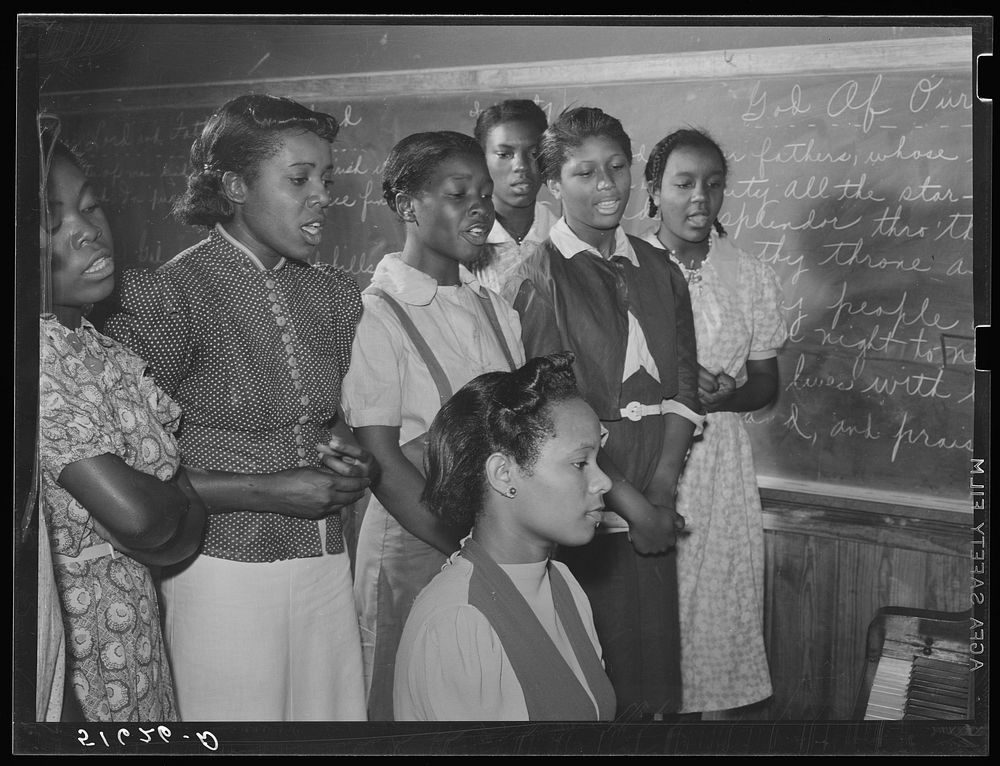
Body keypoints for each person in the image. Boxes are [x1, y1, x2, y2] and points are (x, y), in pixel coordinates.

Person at [105, 93, 375, 722]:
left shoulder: (335, 293)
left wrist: (352, 463)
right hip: (218, 570)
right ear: (233, 185)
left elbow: (331, 424)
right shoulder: (167, 296)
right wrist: (265, 491)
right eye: (299, 179)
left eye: (326, 179)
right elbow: (129, 477)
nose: (322, 196)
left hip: (326, 563)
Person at [502, 106, 705, 721]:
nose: (608, 185)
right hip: (589, 497)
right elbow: (553, 410)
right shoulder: (540, 276)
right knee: (599, 668)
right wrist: (634, 504)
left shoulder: (659, 268)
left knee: (655, 673)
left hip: (655, 490)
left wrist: (662, 490)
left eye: (617, 167)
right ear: (553, 186)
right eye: (585, 173)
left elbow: (684, 383)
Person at [341, 130, 526, 721]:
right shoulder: (377, 314)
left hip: (491, 540)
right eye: (457, 193)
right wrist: (468, 550)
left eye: (484, 193)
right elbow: (381, 464)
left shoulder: (496, 310)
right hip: (415, 540)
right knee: (404, 701)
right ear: (406, 206)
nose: (480, 206)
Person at [37, 127, 207, 722]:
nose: (86, 229)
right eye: (51, 220)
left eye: (89, 205)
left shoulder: (98, 347)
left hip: (137, 653)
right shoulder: (35, 358)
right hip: (78, 676)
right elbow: (143, 518)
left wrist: (170, 509)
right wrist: (171, 506)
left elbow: (168, 531)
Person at [638, 128, 787, 717]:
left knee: (717, 615)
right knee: (648, 619)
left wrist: (724, 396)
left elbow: (767, 383)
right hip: (645, 456)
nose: (700, 197)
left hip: (719, 467)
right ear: (654, 191)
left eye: (713, 184)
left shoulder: (748, 274)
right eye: (684, 183)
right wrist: (671, 384)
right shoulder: (625, 264)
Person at [394, 352, 616, 721]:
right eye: (580, 463)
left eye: (598, 461)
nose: (603, 481)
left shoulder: (564, 584)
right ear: (503, 474)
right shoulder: (458, 623)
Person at [470, 99, 557, 293]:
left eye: (534, 153)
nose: (521, 166)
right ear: (481, 159)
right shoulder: (461, 243)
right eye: (504, 154)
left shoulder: (565, 239)